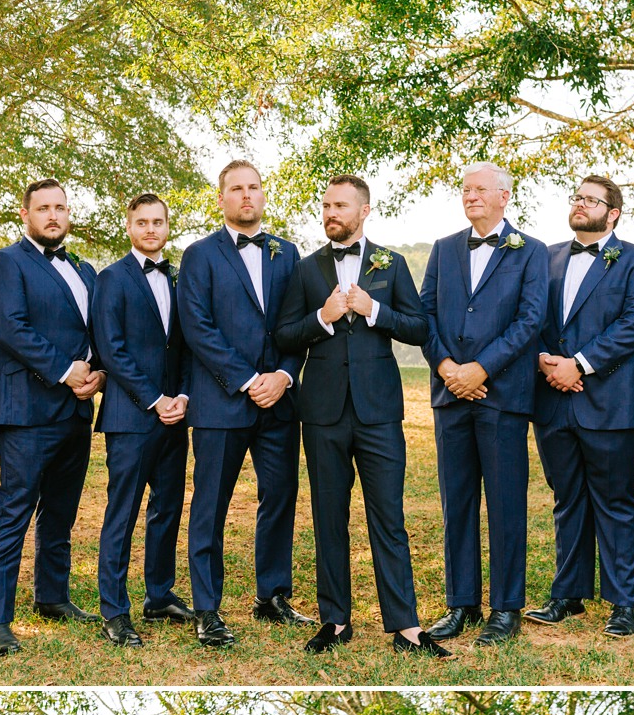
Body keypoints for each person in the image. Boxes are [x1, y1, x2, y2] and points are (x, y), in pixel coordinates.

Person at [272, 176, 446, 658]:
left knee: (388, 517)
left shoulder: (389, 264)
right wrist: (322, 318)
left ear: (364, 211)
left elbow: (418, 327)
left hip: (379, 413)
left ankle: (406, 627)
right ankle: (335, 621)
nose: (330, 212)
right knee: (329, 517)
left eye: (340, 205)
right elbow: (285, 335)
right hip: (323, 412)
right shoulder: (306, 269)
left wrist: (375, 311)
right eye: (325, 204)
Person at [176, 160, 309, 647]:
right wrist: (249, 378)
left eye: (254, 188)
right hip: (220, 402)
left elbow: (297, 325)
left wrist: (284, 375)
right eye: (237, 189)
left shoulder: (287, 253)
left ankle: (272, 595)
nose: (247, 196)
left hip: (278, 402)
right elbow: (197, 328)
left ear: (262, 195)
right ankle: (206, 609)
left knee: (280, 497)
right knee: (211, 504)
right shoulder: (198, 255)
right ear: (222, 198)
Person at [528, 177, 634, 640]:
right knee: (567, 498)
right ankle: (567, 594)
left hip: (613, 402)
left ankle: (623, 602)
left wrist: (580, 365)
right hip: (551, 398)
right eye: (577, 197)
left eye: (591, 200)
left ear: (614, 213)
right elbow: (527, 315)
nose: (580, 204)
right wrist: (545, 361)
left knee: (616, 501)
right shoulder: (544, 257)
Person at [420, 164, 550, 646]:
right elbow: (423, 314)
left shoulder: (531, 251)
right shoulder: (443, 248)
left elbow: (531, 319)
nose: (470, 196)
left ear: (504, 196)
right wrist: (449, 369)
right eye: (465, 189)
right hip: (449, 394)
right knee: (457, 503)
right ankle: (461, 604)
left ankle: (506, 608)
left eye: (479, 190)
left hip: (503, 396)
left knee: (506, 503)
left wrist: (482, 370)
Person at [0, 178, 103, 655]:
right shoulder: (5, 263)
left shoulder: (85, 270)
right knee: (15, 508)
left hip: (76, 408)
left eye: (61, 208)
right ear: (24, 216)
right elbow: (9, 327)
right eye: (44, 208)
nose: (53, 216)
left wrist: (100, 373)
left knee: (61, 511)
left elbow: (99, 331)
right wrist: (66, 370)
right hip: (27, 409)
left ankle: (52, 596)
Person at [88, 192, 195, 647]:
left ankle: (159, 593)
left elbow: (188, 343)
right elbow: (111, 348)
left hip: (176, 416)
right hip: (131, 415)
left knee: (167, 506)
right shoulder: (112, 278)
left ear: (167, 227)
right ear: (129, 227)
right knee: (123, 511)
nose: (151, 229)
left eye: (158, 222)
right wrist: (155, 399)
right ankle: (114, 609)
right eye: (142, 222)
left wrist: (184, 396)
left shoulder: (180, 278)